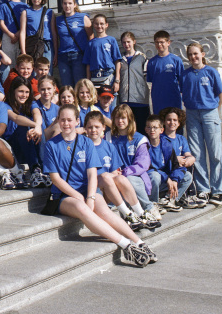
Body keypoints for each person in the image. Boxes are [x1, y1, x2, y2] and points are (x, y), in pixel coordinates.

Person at [43, 104, 157, 266]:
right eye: (62, 120)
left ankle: (139, 243)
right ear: (58, 121)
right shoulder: (51, 145)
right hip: (65, 195)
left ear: (77, 121)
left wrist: (90, 196)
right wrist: (79, 197)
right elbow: (55, 179)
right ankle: (126, 245)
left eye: (70, 120)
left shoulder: (86, 142)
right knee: (83, 208)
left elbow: (92, 173)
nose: (66, 123)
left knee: (105, 212)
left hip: (87, 189)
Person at [84, 111, 148, 231]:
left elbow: (115, 171)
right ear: (85, 128)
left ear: (103, 127)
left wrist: (110, 175)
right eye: (90, 127)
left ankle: (140, 213)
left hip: (107, 189)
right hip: (91, 188)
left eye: (97, 127)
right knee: (105, 177)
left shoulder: (109, 146)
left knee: (120, 178)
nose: (93, 130)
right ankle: (127, 214)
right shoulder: (82, 146)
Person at [180, 42, 222, 206]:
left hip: (209, 113)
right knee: (197, 154)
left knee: (214, 153)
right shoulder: (185, 75)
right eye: (190, 54)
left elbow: (221, 95)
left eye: (196, 54)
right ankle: (204, 189)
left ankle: (218, 190)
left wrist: (212, 109)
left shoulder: (211, 72)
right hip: (192, 114)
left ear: (202, 54)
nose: (193, 57)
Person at [110, 103, 161, 228]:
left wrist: (126, 172)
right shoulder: (108, 137)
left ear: (130, 119)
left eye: (123, 118)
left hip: (134, 175)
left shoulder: (139, 139)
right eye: (117, 118)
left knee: (130, 179)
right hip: (115, 175)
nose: (120, 121)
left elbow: (142, 164)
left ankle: (149, 208)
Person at [145, 111, 195, 212]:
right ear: (146, 129)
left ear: (161, 130)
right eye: (149, 127)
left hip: (164, 180)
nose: (152, 130)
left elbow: (176, 166)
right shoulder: (144, 146)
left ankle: (169, 200)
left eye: (155, 128)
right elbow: (149, 168)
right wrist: (167, 179)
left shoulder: (166, 145)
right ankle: (153, 204)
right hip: (151, 181)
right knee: (155, 176)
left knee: (187, 176)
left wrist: (175, 180)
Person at [4, 77, 41, 186]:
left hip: (28, 145)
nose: (24, 95)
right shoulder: (5, 105)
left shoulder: (31, 103)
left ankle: (41, 168)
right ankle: (35, 169)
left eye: (27, 92)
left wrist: (37, 126)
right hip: (12, 149)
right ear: (13, 91)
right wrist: (34, 125)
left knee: (40, 129)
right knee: (23, 128)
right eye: (20, 91)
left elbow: (37, 114)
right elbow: (16, 118)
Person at [51, 0, 92, 87]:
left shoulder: (83, 18)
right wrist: (56, 55)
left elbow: (91, 37)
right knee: (66, 87)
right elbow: (56, 38)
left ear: (75, 5)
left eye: (70, 3)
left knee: (80, 85)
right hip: (63, 57)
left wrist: (90, 54)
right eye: (65, 3)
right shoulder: (58, 20)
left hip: (79, 56)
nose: (67, 6)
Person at [118, 31, 150, 134]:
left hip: (140, 100)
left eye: (128, 42)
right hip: (125, 100)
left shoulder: (141, 57)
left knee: (141, 129)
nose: (126, 45)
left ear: (134, 42)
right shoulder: (120, 59)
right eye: (124, 42)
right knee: (127, 130)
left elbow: (147, 78)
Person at [146, 30, 184, 116]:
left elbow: (182, 81)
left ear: (168, 42)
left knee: (175, 123)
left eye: (162, 42)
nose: (159, 45)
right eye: (157, 42)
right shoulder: (151, 62)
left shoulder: (176, 60)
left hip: (173, 99)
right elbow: (151, 81)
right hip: (158, 100)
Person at [83, 13, 122, 92]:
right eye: (97, 24)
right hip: (95, 75)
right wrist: (88, 80)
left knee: (110, 99)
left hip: (108, 73)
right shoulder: (91, 43)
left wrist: (117, 80)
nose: (99, 26)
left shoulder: (111, 40)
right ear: (93, 25)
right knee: (97, 101)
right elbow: (88, 64)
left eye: (102, 24)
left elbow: (117, 61)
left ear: (106, 25)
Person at [20, 0, 53, 66]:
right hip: (33, 45)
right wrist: (23, 51)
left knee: (47, 73)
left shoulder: (49, 12)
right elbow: (22, 32)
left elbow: (53, 32)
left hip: (47, 45)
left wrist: (55, 51)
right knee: (34, 72)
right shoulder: (26, 12)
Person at [0, 0, 26, 67]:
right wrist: (11, 35)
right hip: (8, 36)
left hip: (21, 36)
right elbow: (1, 23)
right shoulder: (3, 6)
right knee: (9, 63)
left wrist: (17, 34)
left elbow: (26, 24)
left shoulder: (25, 6)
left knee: (21, 63)